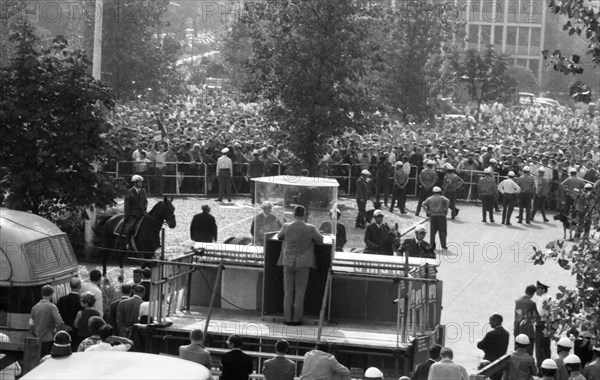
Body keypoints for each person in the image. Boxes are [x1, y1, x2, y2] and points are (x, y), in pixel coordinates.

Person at [277, 206, 324, 325]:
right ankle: (296, 319)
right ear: (305, 215)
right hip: (303, 263)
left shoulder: (286, 226)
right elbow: (320, 239)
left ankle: (287, 319)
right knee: (299, 292)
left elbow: (279, 236)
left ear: (294, 214)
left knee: (287, 292)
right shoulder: (310, 228)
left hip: (287, 261)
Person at [29, 285, 65, 356]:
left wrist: (33, 334)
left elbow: (31, 324)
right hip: (49, 338)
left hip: (37, 339)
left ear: (41, 294)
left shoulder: (34, 307)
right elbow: (60, 322)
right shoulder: (52, 307)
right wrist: (56, 331)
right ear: (51, 294)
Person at [476, 314, 509, 380]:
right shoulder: (506, 333)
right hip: (500, 362)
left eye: (490, 321)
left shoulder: (491, 334)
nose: (489, 323)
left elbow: (480, 345)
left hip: (489, 362)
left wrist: (486, 349)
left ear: (495, 321)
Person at [121, 174, 148, 249]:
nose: (141, 183)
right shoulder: (129, 192)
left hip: (142, 213)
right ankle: (128, 243)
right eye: (139, 182)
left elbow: (145, 201)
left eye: (141, 182)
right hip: (133, 214)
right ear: (135, 183)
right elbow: (127, 205)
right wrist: (127, 215)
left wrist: (145, 208)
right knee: (130, 227)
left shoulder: (143, 191)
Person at [57, 277, 83, 350]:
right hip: (77, 332)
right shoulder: (81, 301)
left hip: (65, 330)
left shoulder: (61, 300)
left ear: (70, 286)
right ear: (79, 286)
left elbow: (58, 314)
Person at [514, 285, 538, 355]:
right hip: (528, 332)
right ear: (533, 293)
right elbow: (535, 317)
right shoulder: (532, 303)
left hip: (518, 329)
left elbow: (517, 316)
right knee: (528, 353)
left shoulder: (517, 301)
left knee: (517, 352)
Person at [535, 281, 551, 371]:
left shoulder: (543, 299)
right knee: (546, 348)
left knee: (540, 348)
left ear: (542, 289)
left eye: (538, 289)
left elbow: (540, 314)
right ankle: (547, 367)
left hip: (541, 325)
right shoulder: (548, 297)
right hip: (547, 325)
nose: (536, 290)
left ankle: (541, 369)